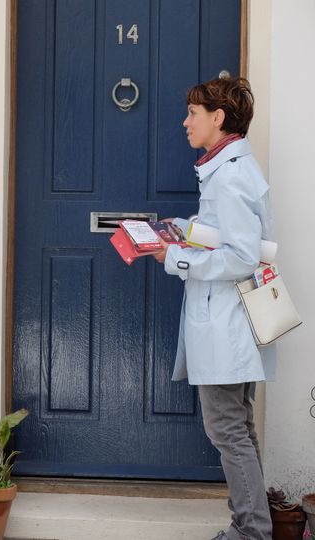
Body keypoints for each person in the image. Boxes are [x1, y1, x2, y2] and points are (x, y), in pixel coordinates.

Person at [151, 76, 275, 540]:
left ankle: (251, 532)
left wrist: (176, 257)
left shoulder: (233, 175)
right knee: (236, 426)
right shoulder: (225, 169)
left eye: (193, 114)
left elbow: (244, 257)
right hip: (227, 323)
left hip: (228, 324)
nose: (185, 123)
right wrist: (181, 230)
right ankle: (251, 525)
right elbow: (226, 236)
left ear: (217, 119)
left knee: (226, 429)